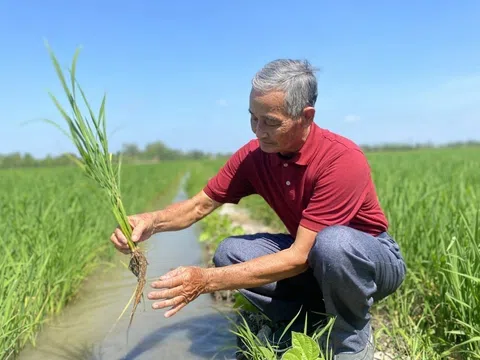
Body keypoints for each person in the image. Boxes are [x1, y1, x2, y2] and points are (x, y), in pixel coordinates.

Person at [110, 59, 407, 359]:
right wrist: (152, 222)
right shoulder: (255, 156)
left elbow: (301, 256)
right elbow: (198, 206)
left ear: (305, 116)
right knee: (230, 253)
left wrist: (205, 280)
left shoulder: (340, 159)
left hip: (368, 260)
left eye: (271, 122)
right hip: (315, 256)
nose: (259, 131)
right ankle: (303, 321)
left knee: (334, 243)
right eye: (253, 118)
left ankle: (351, 336)